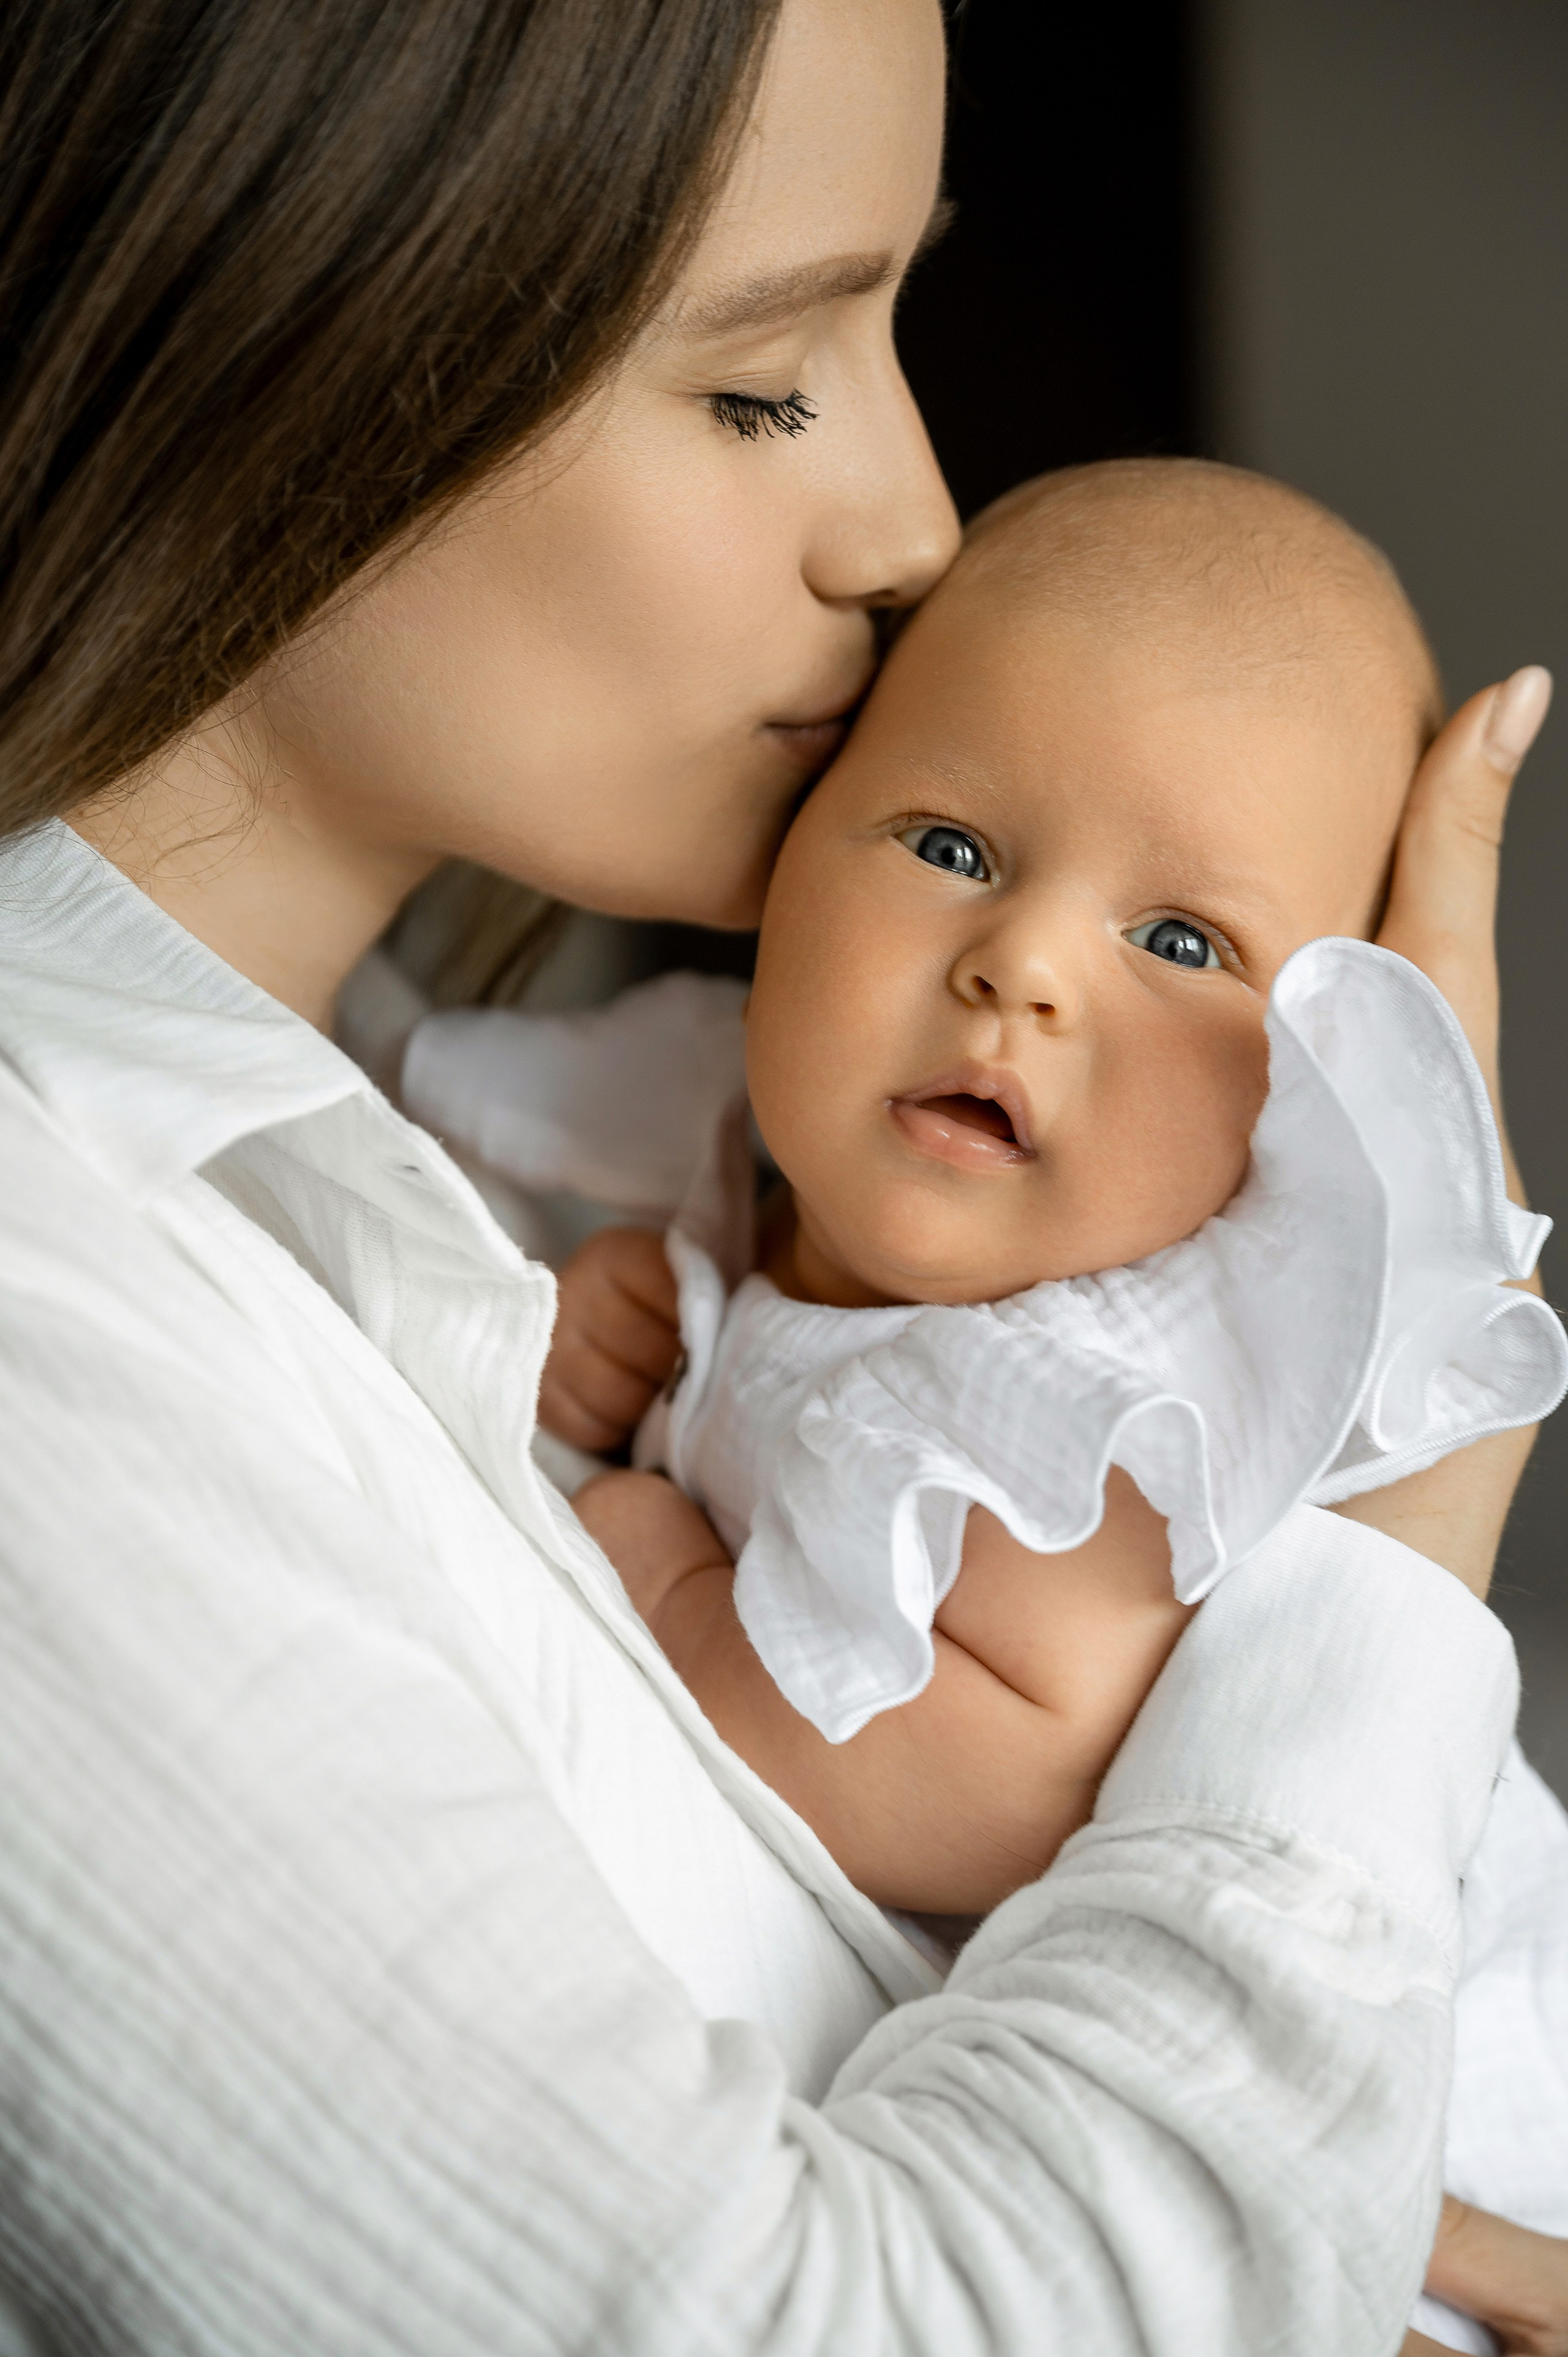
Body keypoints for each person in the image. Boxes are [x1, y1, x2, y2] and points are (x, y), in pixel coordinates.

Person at [0, 1, 1553, 2350]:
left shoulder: (469, 1158)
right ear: (294, 315)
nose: (918, 524)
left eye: (894, 321)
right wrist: (1404, 1528)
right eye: (762, 381)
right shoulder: (65, 1338)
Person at [445, 458, 1566, 2353]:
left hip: (1424, 2120)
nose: (1023, 966)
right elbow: (765, 1383)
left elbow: (1011, 1778)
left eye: (1186, 943)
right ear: (792, 842)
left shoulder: (1107, 1400)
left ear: (1319, 1111)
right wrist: (635, 1317)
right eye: (952, 846)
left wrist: (660, 1576)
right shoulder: (736, 1166)